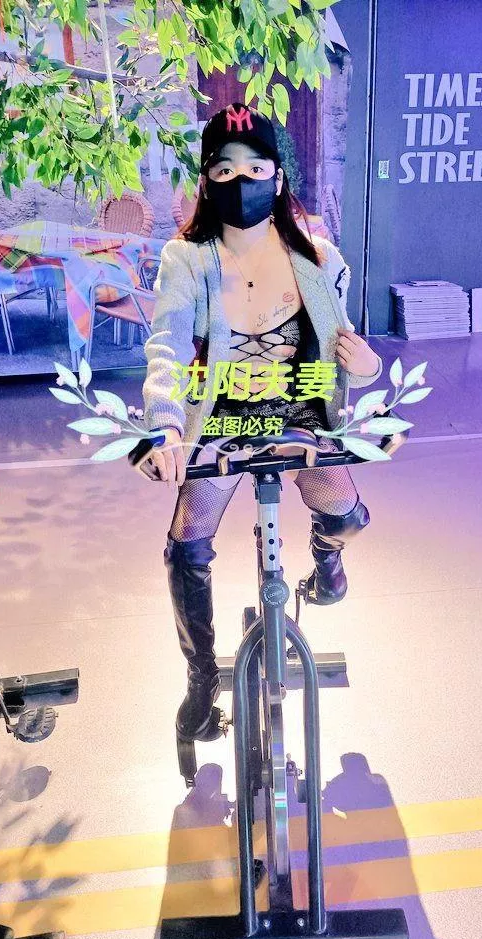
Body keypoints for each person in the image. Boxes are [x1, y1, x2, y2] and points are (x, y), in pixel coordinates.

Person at [135, 102, 382, 745]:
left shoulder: (316, 257)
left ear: (277, 178)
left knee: (349, 518)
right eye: (223, 169)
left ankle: (325, 559)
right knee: (187, 546)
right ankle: (199, 680)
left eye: (254, 167)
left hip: (299, 409)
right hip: (220, 413)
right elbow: (167, 345)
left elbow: (342, 343)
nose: (239, 180)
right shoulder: (187, 258)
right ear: (206, 180)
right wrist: (165, 426)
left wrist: (368, 365)